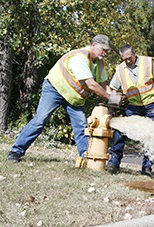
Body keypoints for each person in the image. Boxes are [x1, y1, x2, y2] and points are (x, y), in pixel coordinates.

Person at [8, 34, 117, 162]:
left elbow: (104, 84)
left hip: (74, 98)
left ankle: (87, 157)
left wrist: (113, 98)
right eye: (103, 49)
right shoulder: (80, 58)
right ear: (93, 45)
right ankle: (16, 151)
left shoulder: (99, 63)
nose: (105, 53)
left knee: (82, 127)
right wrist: (110, 97)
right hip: (55, 89)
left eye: (107, 51)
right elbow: (91, 84)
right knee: (40, 120)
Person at [106, 44, 154, 175]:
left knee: (152, 135)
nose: (127, 61)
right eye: (124, 59)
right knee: (120, 131)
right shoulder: (120, 69)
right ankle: (113, 163)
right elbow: (112, 89)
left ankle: (147, 168)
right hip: (133, 106)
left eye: (129, 58)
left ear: (134, 54)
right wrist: (112, 108)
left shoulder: (147, 62)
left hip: (151, 104)